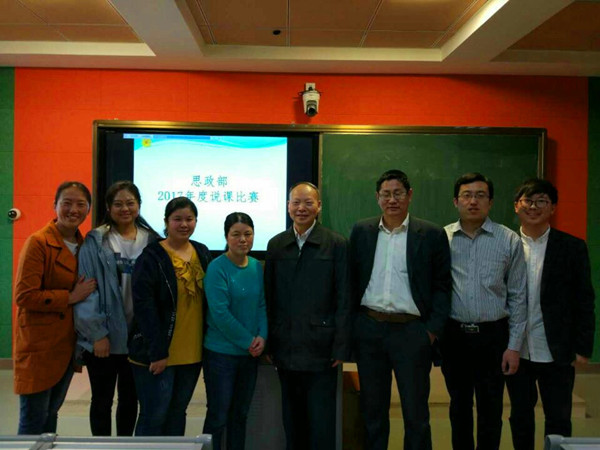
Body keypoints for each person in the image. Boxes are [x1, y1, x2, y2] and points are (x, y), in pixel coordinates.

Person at [349, 169, 452, 450]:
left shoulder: (430, 234)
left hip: (412, 332)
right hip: (370, 330)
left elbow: (443, 286)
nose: (392, 200)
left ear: (409, 195)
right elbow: (351, 280)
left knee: (415, 413)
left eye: (398, 193)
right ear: (377, 197)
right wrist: (355, 327)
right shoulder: (362, 231)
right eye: (386, 194)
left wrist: (430, 332)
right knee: (372, 411)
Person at [506, 178, 596, 450]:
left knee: (559, 417)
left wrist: (583, 347)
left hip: (557, 347)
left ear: (553, 207)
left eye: (541, 201)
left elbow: (584, 299)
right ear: (516, 206)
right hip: (516, 348)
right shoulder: (505, 244)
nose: (533, 207)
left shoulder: (572, 247)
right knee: (520, 415)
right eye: (528, 201)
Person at [442, 172, 527, 450]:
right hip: (454, 336)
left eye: (480, 195)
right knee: (459, 406)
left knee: (491, 409)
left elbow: (518, 297)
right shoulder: (442, 238)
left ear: (490, 202)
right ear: (456, 201)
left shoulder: (508, 239)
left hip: (494, 336)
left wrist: (514, 346)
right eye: (466, 195)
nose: (473, 201)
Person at [265, 182, 351, 450]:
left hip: (322, 348)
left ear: (319, 206)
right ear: (288, 206)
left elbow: (344, 298)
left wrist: (341, 345)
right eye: (296, 202)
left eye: (308, 202)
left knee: (321, 421)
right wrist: (270, 342)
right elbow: (269, 297)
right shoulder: (276, 244)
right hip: (286, 345)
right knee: (292, 419)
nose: (301, 208)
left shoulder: (336, 244)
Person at [74, 181, 158, 436]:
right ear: (108, 207)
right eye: (118, 204)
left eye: (130, 203)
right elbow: (87, 291)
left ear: (139, 206)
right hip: (105, 340)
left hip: (137, 338)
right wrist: (97, 334)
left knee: (130, 399)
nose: (125, 209)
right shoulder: (96, 241)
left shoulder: (152, 241)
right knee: (101, 400)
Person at [14, 181, 97, 435]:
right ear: (55, 206)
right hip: (39, 346)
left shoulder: (85, 245)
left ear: (89, 209)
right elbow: (24, 296)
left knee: (51, 414)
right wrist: (70, 297)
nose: (74, 210)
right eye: (67, 203)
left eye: (81, 204)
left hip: (66, 345)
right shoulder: (38, 242)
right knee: (33, 419)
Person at [129, 196, 211, 436]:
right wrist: (157, 352)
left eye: (189, 219)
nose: (184, 224)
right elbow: (144, 307)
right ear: (166, 222)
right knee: (154, 415)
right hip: (159, 353)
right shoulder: (152, 256)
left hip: (192, 353)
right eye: (177, 219)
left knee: (177, 413)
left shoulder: (202, 252)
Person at [202, 212, 268, 450]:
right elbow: (220, 314)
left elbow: (262, 304)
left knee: (240, 415)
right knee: (218, 415)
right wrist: (249, 341)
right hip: (221, 355)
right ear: (226, 236)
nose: (243, 239)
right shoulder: (216, 268)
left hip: (249, 355)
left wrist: (262, 337)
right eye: (236, 234)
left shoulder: (256, 266)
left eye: (248, 234)